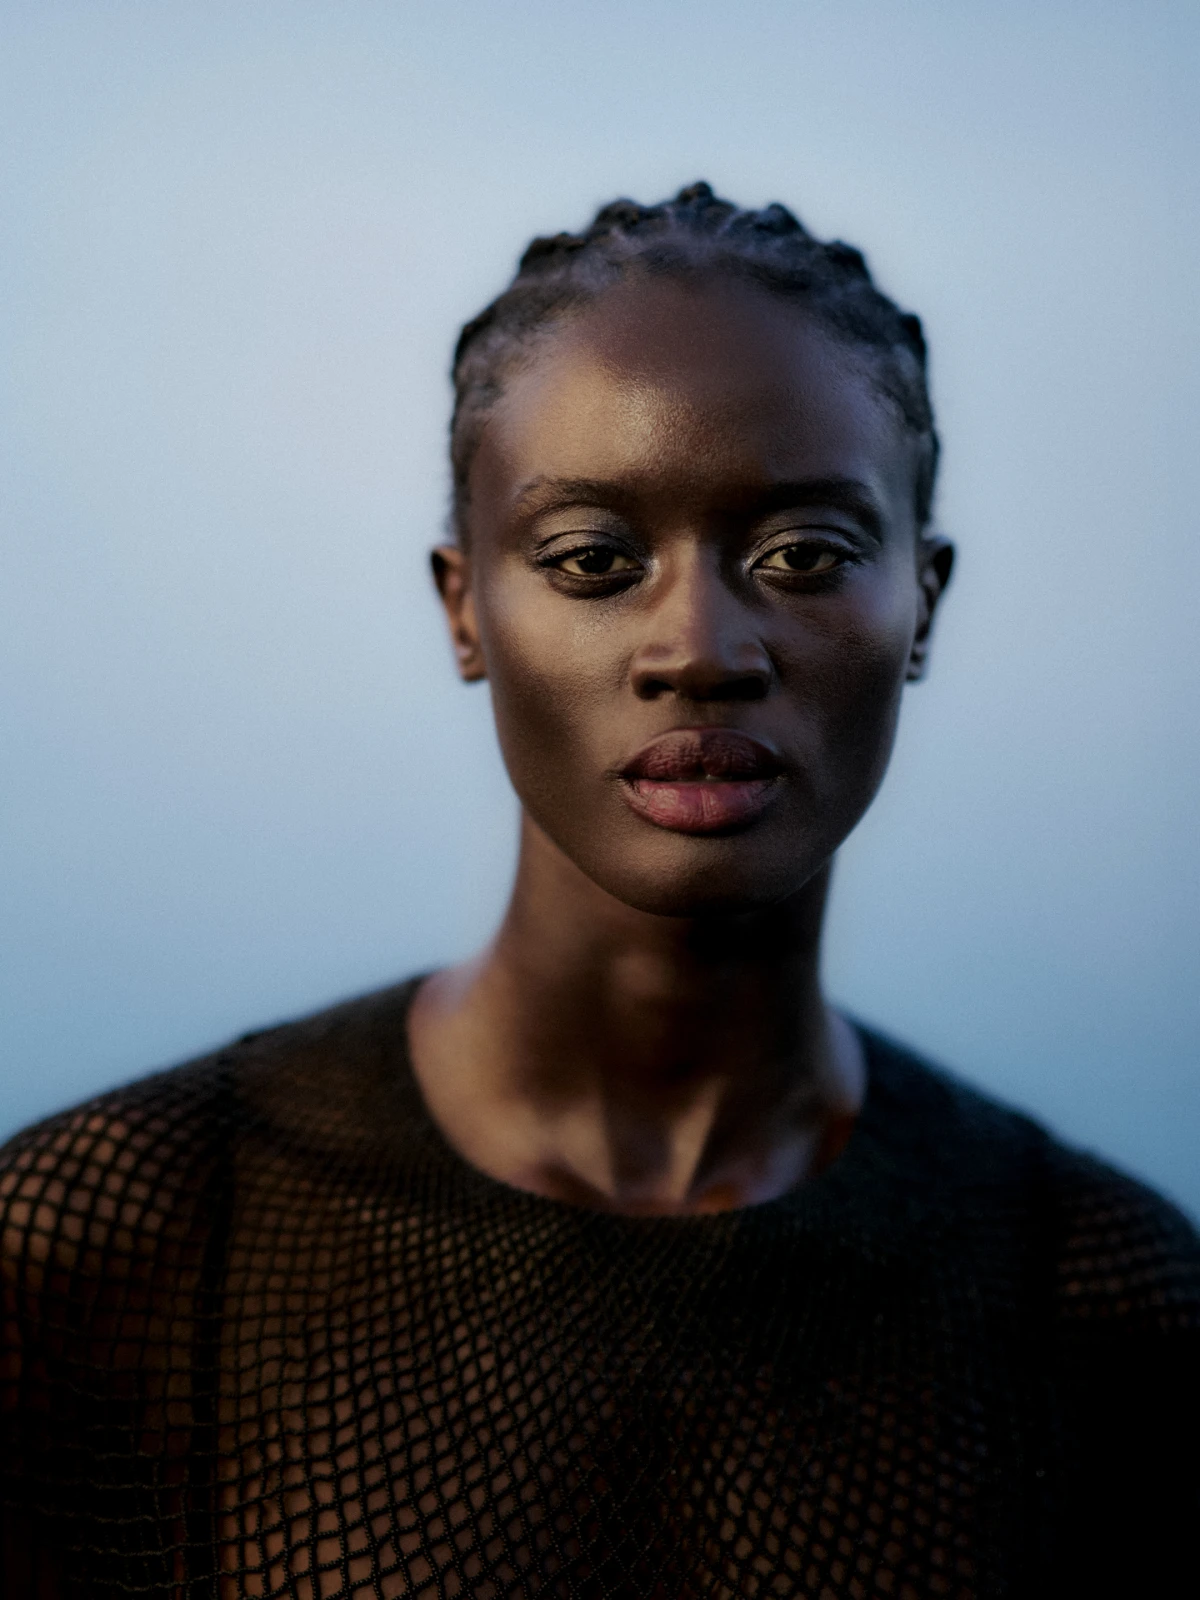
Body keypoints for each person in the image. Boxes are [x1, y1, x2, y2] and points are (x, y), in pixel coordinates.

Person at [1, 182, 1195, 1598]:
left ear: (923, 602)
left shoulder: (1098, 1294)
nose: (698, 647)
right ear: (464, 609)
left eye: (803, 556)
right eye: (592, 560)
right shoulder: (121, 1237)